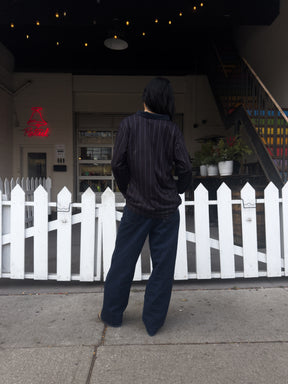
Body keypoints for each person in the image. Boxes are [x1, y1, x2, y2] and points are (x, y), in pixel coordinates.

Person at [100, 77, 192, 336]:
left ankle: (112, 315)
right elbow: (185, 168)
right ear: (167, 101)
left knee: (123, 261)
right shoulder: (172, 130)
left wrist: (130, 190)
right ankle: (153, 323)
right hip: (166, 210)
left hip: (137, 207)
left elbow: (117, 164)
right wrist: (176, 190)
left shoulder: (129, 124)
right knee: (162, 267)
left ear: (145, 98)